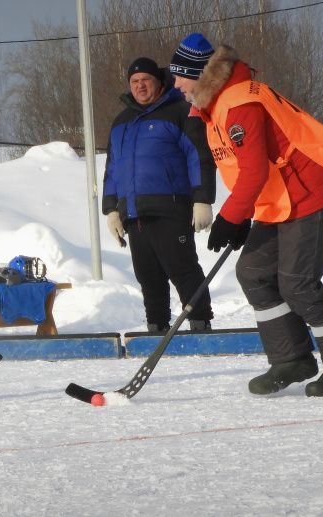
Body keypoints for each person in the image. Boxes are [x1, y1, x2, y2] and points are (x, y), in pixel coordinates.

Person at [169, 33, 323, 396]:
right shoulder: (217, 104)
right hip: (280, 199)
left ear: (199, 75)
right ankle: (292, 359)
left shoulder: (239, 103)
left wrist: (231, 217)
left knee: (298, 285)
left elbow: (255, 170)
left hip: (309, 193)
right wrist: (243, 215)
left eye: (180, 76)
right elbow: (244, 166)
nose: (176, 84)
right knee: (253, 272)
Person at [102, 57, 218, 333]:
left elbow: (199, 156)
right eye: (134, 81)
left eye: (146, 80)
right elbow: (113, 168)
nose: (140, 86)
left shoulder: (180, 111)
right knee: (147, 275)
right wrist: (111, 209)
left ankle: (200, 324)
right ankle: (156, 328)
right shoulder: (121, 122)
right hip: (134, 212)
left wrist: (202, 199)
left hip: (171, 209)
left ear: (159, 82)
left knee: (183, 269)